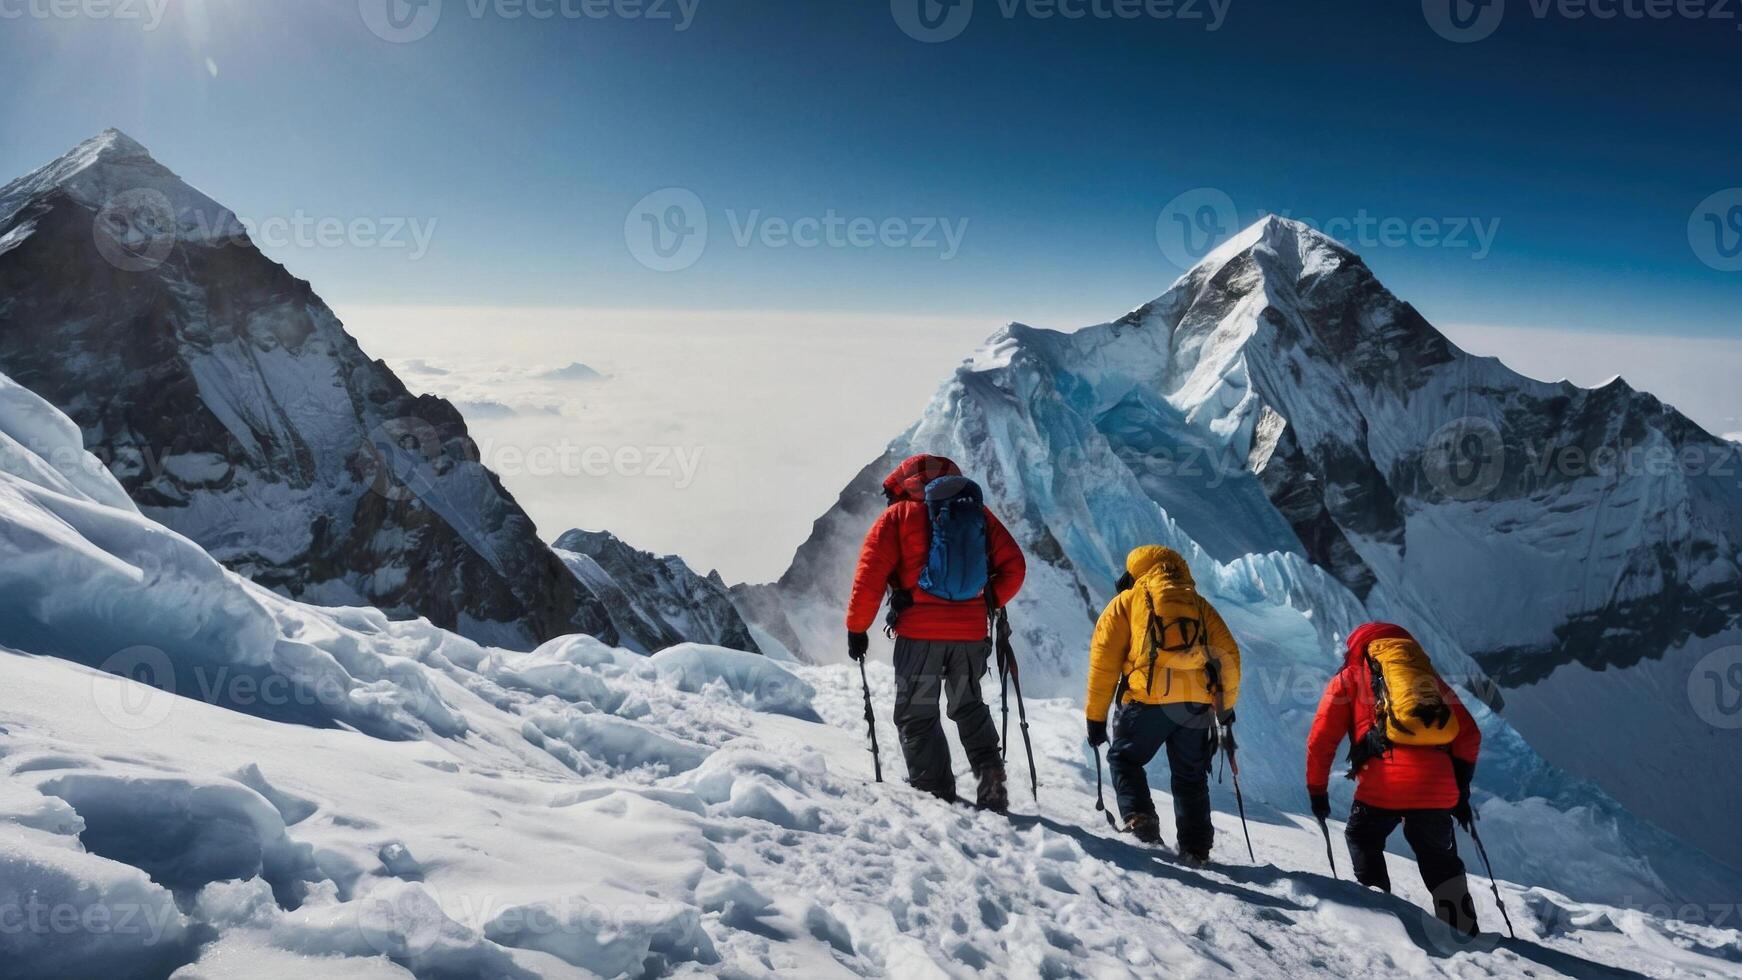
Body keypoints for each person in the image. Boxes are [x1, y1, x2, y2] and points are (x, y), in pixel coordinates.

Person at [845, 454, 1026, 811]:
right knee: (968, 703)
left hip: (920, 639)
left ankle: (934, 793)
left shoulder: (896, 517)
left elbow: (869, 578)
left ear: (905, 483)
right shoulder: (978, 516)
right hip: (970, 638)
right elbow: (1015, 568)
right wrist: (984, 602)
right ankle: (990, 779)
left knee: (918, 711)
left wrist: (857, 628)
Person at [1306, 622, 1482, 935]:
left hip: (1383, 784)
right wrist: (1460, 791)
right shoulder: (1430, 682)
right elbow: (1469, 736)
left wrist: (1317, 791)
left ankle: (1383, 917)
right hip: (1437, 788)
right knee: (1440, 861)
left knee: (1362, 837)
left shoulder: (1348, 678)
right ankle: (1463, 934)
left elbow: (1321, 741)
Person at [1084, 546, 1240, 863]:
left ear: (1136, 571)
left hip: (1146, 702)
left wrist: (1095, 717)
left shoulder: (1126, 603)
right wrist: (1224, 709)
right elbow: (1230, 658)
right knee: (1190, 776)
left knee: (1125, 759)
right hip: (1195, 706)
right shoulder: (1198, 605)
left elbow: (1103, 664)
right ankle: (1196, 848)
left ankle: (1141, 822)